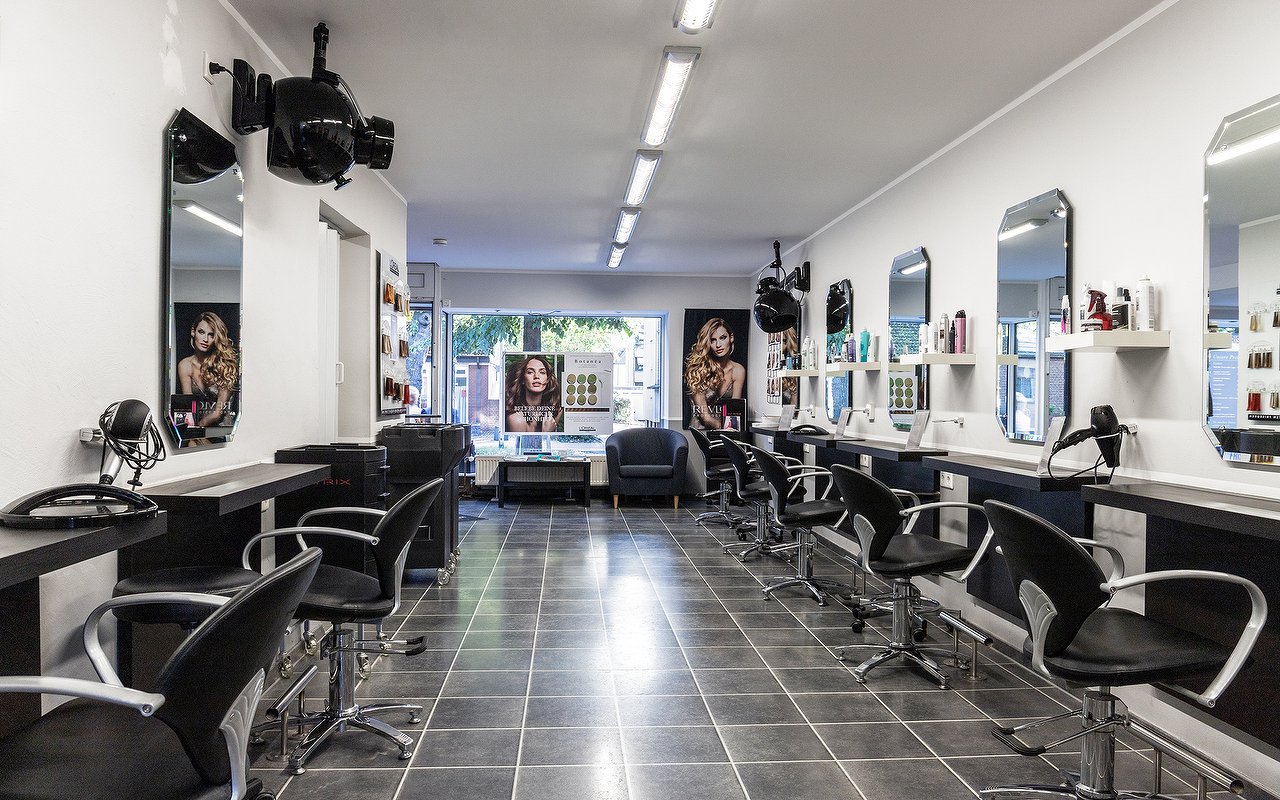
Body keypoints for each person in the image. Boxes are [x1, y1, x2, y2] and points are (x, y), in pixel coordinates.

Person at [177, 311, 239, 428]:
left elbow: (217, 414)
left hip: (223, 429)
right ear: (193, 332)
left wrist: (199, 427)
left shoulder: (224, 364)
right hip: (197, 428)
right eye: (201, 332)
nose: (205, 339)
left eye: (211, 335)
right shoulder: (185, 365)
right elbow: (188, 407)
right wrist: (192, 430)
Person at [685, 317, 746, 429]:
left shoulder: (738, 370)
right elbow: (705, 417)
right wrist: (726, 427)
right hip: (701, 430)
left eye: (722, 338)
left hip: (726, 430)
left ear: (731, 338)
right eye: (712, 340)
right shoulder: (698, 369)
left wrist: (731, 430)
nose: (718, 345)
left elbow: (734, 411)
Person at [505, 355, 563, 432]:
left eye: (542, 372)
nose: (536, 376)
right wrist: (546, 433)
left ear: (547, 380)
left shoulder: (555, 411)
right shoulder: (516, 419)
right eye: (530, 372)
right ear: (523, 380)